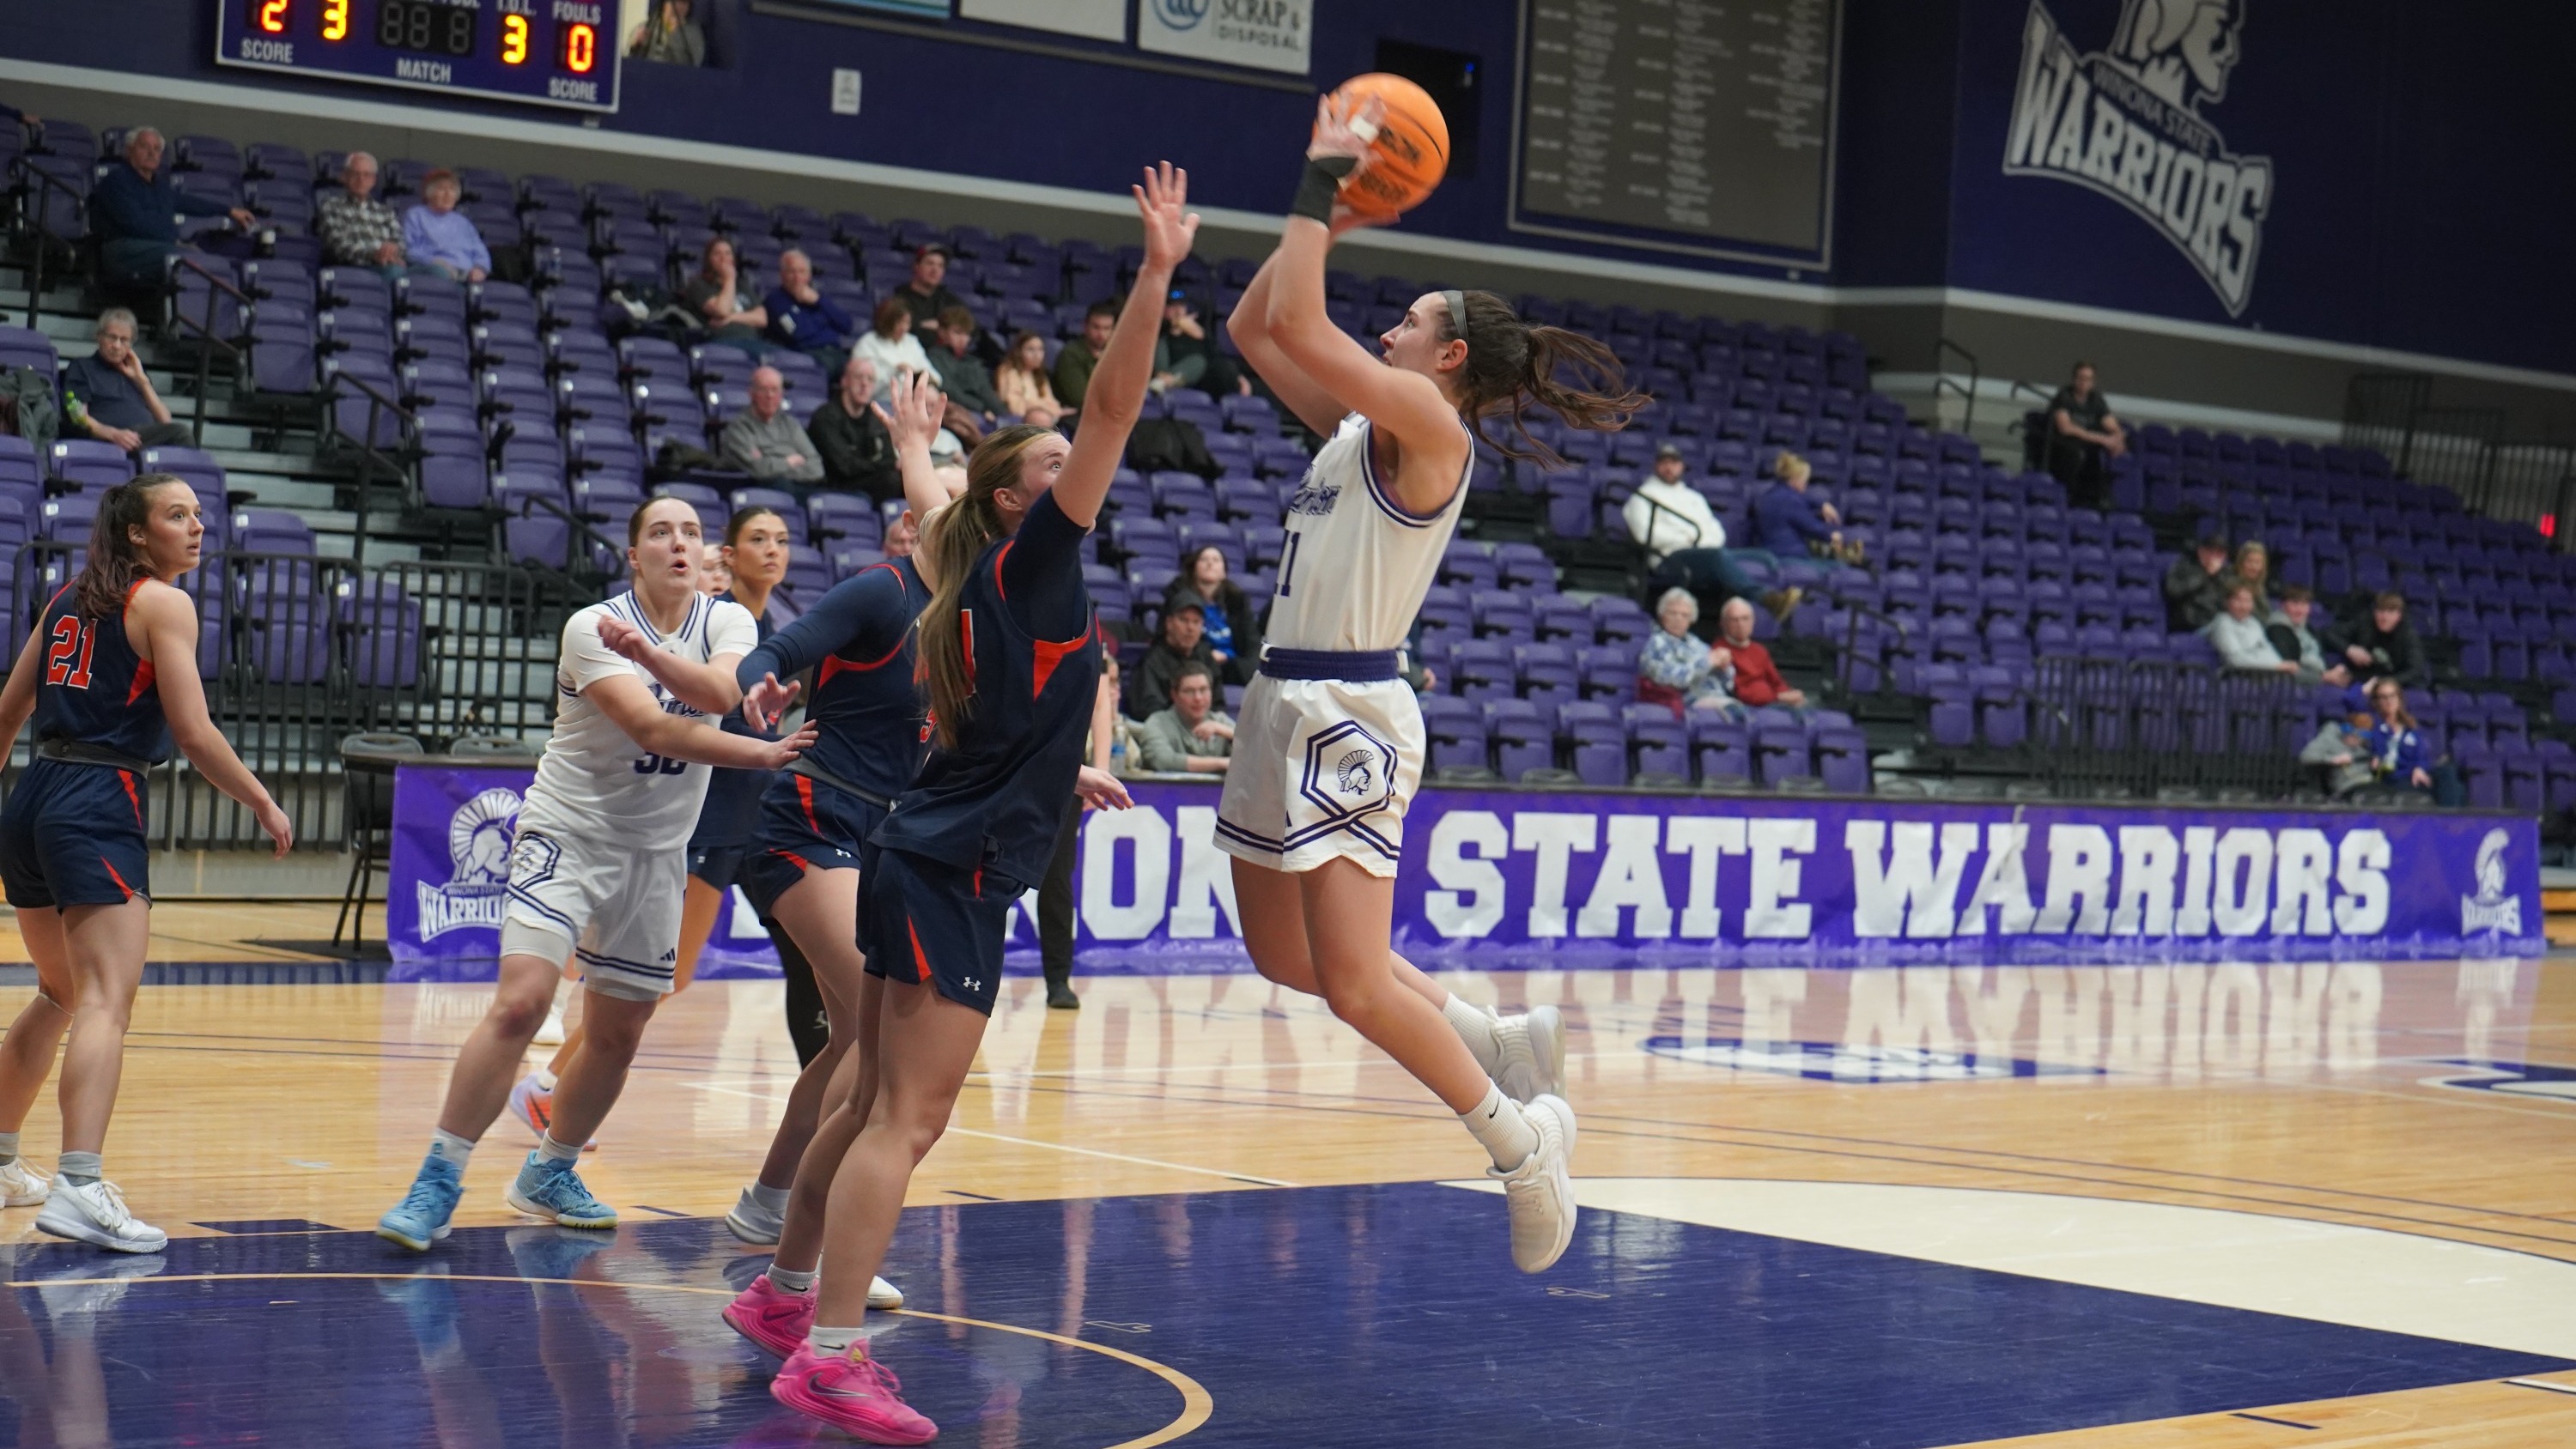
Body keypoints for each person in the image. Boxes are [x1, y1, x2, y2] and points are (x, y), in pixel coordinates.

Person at [759, 166, 1178, 1446]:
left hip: (911, 848)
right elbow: (1111, 406)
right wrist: (1156, 272)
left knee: (864, 1094)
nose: (1075, 469)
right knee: (909, 1115)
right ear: (1022, 501)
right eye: (1049, 466)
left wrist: (907, 445)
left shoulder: (970, 560)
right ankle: (831, 1358)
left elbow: (938, 501)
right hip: (954, 869)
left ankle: (784, 1297)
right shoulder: (1039, 552)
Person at [1216, 97, 1637, 1291]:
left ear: (1447, 356)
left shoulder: (1426, 426)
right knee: (1283, 960)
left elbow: (1298, 313)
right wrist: (1336, 216)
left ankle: (1522, 1146)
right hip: (1280, 700)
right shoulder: (1361, 428)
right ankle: (1499, 1039)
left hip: (1347, 712)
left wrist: (1316, 181)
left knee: (1351, 979)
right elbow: (1260, 327)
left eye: (1406, 320)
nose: (1386, 330)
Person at [375, 497, 817, 1253]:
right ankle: (439, 1176)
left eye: (689, 532)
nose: (678, 543)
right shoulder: (592, 625)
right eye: (659, 532)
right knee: (522, 1004)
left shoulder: (727, 623)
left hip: (656, 852)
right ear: (633, 553)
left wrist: (654, 661)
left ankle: (552, 1171)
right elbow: (651, 726)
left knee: (619, 1031)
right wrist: (760, 751)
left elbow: (718, 694)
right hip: (568, 834)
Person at [598, 433, 951, 1334]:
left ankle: (768, 1206)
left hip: (881, 830)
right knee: (872, 1043)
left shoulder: (969, 615)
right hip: (804, 814)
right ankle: (824, 1248)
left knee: (848, 1043)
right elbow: (775, 653)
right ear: (914, 522)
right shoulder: (881, 589)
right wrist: (757, 686)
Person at [0, 476, 292, 1250]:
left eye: (199, 515)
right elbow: (193, 733)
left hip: (32, 799)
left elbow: (6, 715)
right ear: (136, 533)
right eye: (177, 515)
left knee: (60, 991)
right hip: (98, 799)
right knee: (104, 1002)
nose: (198, 527)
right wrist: (261, 800)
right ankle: (79, 1184)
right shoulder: (164, 603)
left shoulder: (67, 598)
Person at [507, 506, 812, 1135]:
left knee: (787, 959)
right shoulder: (710, 615)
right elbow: (687, 713)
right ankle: (549, 1085)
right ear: (724, 556)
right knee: (667, 977)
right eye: (758, 540)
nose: (774, 551)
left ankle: (828, 1090)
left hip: (748, 809)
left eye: (783, 541)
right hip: (693, 812)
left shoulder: (762, 625)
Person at [1624, 443, 1797, 621]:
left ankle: (1776, 605)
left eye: (1674, 463)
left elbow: (1716, 532)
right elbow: (1645, 535)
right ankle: (1766, 599)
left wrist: (1698, 542)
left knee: (1763, 557)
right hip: (1668, 558)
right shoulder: (1642, 497)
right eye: (1664, 463)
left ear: (1681, 466)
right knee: (1717, 556)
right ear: (1656, 466)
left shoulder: (1694, 497)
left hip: (1703, 552)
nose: (1669, 468)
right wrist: (1686, 539)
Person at [1035, 645, 1118, 1012]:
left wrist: (1099, 769)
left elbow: (1100, 702)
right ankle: (971, 973)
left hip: (1064, 773)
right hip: (1006, 761)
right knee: (983, 876)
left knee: (1056, 879)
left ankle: (1058, 980)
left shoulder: (1082, 622)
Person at [88, 128, 254, 290]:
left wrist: (229, 211)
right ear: (129, 151)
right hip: (123, 251)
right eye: (144, 146)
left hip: (156, 249)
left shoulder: (159, 185)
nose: (151, 153)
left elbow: (189, 203)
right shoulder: (116, 181)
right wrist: (176, 240)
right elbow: (134, 224)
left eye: (156, 149)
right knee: (186, 258)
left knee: (207, 260)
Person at [60, 310, 192, 452]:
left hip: (146, 440)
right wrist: (112, 434)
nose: (117, 346)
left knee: (180, 437)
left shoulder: (136, 374)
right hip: (110, 440)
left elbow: (165, 420)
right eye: (112, 337)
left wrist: (142, 381)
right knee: (181, 434)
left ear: (131, 345)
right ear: (99, 337)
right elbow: (76, 414)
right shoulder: (80, 367)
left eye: (124, 340)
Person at [807, 356, 902, 502]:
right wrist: (880, 465)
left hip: (871, 481)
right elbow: (845, 466)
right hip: (836, 487)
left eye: (870, 379)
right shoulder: (825, 417)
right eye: (859, 377)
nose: (864, 384)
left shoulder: (876, 418)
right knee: (892, 480)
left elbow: (889, 458)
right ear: (844, 381)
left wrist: (883, 465)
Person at [1639, 588, 1747, 716]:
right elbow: (1672, 679)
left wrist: (1724, 667)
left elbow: (1728, 684)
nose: (1678, 619)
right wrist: (1707, 662)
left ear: (1691, 620)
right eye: (1673, 613)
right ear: (1662, 615)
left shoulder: (1697, 644)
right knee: (1737, 716)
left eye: (1684, 615)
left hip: (1717, 698)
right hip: (1687, 701)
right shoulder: (1655, 643)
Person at [2359, 678, 2464, 806]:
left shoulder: (2410, 727)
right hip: (2396, 779)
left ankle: (2450, 820)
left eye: (2393, 696)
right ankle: (2448, 820)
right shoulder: (2374, 726)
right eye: (2383, 697)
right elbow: (2382, 757)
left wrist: (2419, 768)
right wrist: (2365, 689)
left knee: (2449, 773)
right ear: (2377, 701)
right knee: (2451, 788)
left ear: (2399, 698)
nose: (2389, 701)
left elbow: (2421, 756)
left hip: (2415, 775)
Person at [1165, 545, 1260, 683]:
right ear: (1194, 568)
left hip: (1236, 669)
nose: (1210, 563)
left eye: (1216, 560)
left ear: (1224, 572)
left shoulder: (1237, 603)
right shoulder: (1180, 601)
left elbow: (1252, 642)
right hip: (1199, 667)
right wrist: (1208, 657)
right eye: (1204, 559)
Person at [720, 366, 824, 484]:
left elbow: (817, 468)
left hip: (798, 487)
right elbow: (758, 469)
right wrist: (789, 462)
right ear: (751, 394)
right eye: (763, 389)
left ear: (782, 395)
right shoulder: (739, 427)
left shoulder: (790, 424)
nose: (770, 396)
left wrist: (772, 465)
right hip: (761, 490)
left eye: (775, 390)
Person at [316, 152, 413, 276]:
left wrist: (393, 251)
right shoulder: (331, 206)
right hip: (356, 269)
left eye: (367, 175)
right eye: (356, 174)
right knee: (396, 273)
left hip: (389, 265)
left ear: (373, 181)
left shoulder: (385, 211)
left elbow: (401, 244)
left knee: (435, 273)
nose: (361, 180)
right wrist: (374, 255)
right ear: (345, 177)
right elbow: (339, 246)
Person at [1747, 451, 1852, 562]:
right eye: (1805, 480)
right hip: (1790, 558)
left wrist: (1822, 504)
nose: (1806, 485)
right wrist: (1832, 536)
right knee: (1839, 567)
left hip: (1768, 555)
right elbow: (1812, 527)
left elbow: (1801, 501)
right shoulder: (1792, 501)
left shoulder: (1767, 496)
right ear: (1795, 479)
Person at [762, 250, 856, 375]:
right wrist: (825, 323)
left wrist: (819, 301)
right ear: (782, 275)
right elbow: (799, 333)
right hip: (808, 355)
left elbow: (847, 325)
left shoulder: (817, 297)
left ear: (809, 275)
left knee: (861, 369)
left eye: (802, 272)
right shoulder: (775, 300)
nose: (797, 278)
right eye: (791, 272)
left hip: (835, 352)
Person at [2046, 361, 2125, 509]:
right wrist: (2103, 439)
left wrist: (2118, 439)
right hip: (2064, 447)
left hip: (2089, 446)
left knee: (2121, 448)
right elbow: (2066, 428)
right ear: (2074, 379)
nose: (2084, 383)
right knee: (2079, 452)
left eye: (2088, 379)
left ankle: (2103, 498)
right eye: (2081, 378)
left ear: (2093, 382)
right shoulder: (2064, 396)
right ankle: (2071, 498)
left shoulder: (2096, 400)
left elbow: (2111, 424)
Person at [1127, 597, 1221, 718]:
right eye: (1184, 620)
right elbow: (1149, 710)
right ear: (1169, 623)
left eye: (1196, 622)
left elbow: (1219, 704)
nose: (1190, 628)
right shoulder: (1152, 661)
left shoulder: (1206, 656)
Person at [1139, 661, 1236, 773]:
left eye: (1203, 690)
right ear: (1174, 695)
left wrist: (1228, 733)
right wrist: (1222, 763)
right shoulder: (1157, 723)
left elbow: (1253, 755)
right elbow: (1162, 761)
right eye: (1189, 691)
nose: (1198, 698)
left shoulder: (1221, 722)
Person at [683, 237, 769, 356]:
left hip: (752, 342)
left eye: (728, 253)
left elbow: (762, 319)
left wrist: (731, 318)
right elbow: (722, 310)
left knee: (783, 359)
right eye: (717, 254)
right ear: (708, 259)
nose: (723, 258)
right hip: (722, 341)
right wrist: (729, 279)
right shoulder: (699, 284)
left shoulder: (742, 285)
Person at [1715, 596, 1805, 710]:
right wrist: (1778, 697)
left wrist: (1790, 695)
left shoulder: (1759, 650)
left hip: (1772, 703)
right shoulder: (1719, 651)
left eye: (1745, 619)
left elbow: (1776, 682)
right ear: (1723, 624)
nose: (1741, 624)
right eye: (1734, 620)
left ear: (1753, 621)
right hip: (1746, 708)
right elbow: (1737, 691)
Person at [926, 306, 1005, 433]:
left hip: (978, 413)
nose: (963, 339)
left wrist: (1001, 414)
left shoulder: (973, 362)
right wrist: (983, 409)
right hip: (952, 415)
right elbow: (949, 390)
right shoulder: (934, 357)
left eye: (967, 334)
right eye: (957, 332)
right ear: (942, 332)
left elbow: (986, 392)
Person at [401, 170, 489, 283]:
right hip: (432, 269)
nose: (448, 194)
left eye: (452, 190)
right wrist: (435, 261)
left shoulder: (463, 222)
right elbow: (408, 249)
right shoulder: (415, 215)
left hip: (465, 275)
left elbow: (480, 251)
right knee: (440, 272)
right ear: (429, 194)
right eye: (442, 189)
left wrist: (480, 268)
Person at [2330, 591, 2428, 689]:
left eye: (2390, 612)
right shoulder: (2365, 623)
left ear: (2399, 615)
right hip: (2361, 681)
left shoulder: (2408, 636)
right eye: (2381, 611)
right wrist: (2349, 649)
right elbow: (2330, 634)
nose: (2384, 617)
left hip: (2394, 685)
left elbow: (2415, 671)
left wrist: (2383, 684)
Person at [1161, 289, 1248, 396]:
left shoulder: (1196, 333)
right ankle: (1163, 381)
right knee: (1197, 361)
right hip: (1168, 372)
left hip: (1198, 382)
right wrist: (1175, 324)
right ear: (1165, 309)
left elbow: (1215, 355)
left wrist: (1238, 376)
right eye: (1173, 306)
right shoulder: (1161, 332)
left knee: (1217, 367)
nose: (1178, 311)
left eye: (1181, 306)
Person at [851, 297, 934, 401]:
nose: (904, 327)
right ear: (887, 321)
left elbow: (934, 376)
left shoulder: (912, 342)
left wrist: (920, 376)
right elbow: (861, 385)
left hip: (914, 404)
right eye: (899, 322)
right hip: (880, 402)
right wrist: (894, 371)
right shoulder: (867, 343)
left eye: (907, 323)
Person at [2266, 585, 2350, 688]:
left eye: (2304, 604)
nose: (2300, 610)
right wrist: (2324, 677)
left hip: (2319, 678)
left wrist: (2336, 671)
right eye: (2295, 604)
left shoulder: (2308, 628)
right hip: (2296, 686)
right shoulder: (2277, 631)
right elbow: (2288, 670)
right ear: (2283, 606)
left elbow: (2318, 659)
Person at [2202, 584, 2293, 675]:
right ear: (2227, 602)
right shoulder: (2222, 623)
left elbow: (2267, 648)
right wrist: (2274, 667)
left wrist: (2279, 664)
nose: (2243, 606)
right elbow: (2235, 660)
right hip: (2234, 677)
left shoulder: (2253, 622)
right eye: (2238, 600)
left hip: (2260, 675)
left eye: (2248, 601)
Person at [1051, 300, 1119, 412]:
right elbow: (1080, 399)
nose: (1101, 334)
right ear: (1085, 327)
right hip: (1075, 416)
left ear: (1113, 330)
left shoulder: (1116, 355)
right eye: (1096, 327)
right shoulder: (1070, 354)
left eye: (1107, 328)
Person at [2297, 704, 2376, 799]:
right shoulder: (2330, 738)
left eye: (2363, 735)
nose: (2357, 739)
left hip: (2369, 783)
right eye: (2353, 734)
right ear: (2346, 728)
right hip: (2347, 788)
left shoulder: (2365, 744)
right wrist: (2334, 760)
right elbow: (2306, 756)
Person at [892, 246, 971, 336]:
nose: (935, 270)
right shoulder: (899, 299)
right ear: (916, 266)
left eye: (940, 266)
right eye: (930, 263)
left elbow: (971, 327)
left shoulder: (950, 301)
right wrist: (921, 326)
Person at [2163, 529, 2232, 632]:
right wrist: (2205, 575)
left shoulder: (2226, 572)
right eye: (2211, 552)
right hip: (2191, 621)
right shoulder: (2184, 566)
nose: (2215, 557)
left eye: (2220, 553)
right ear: (2201, 551)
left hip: (2218, 620)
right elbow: (2173, 591)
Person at [994, 330, 1066, 428]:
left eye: (1041, 350)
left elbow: (1054, 406)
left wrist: (1034, 405)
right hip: (1017, 422)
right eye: (1031, 350)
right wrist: (1042, 406)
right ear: (1019, 352)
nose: (1037, 355)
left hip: (1042, 420)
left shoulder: (1040, 376)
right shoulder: (1008, 371)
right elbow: (1015, 407)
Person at [625, 0, 704, 64]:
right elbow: (626, 57)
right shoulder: (647, 26)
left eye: (684, 3)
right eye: (676, 2)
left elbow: (695, 63)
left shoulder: (694, 33)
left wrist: (675, 36)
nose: (680, 7)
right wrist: (635, 44)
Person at [2220, 539, 2273, 614]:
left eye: (2258, 562)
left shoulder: (2259, 587)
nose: (2254, 567)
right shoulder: (2230, 585)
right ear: (2241, 562)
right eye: (2250, 561)